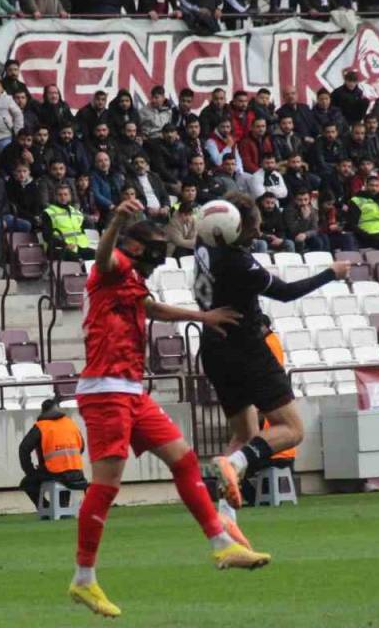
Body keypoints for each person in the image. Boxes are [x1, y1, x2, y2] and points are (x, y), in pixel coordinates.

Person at [67, 198, 267, 619]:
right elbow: (101, 258)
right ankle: (84, 578)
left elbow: (151, 309)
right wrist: (117, 220)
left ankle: (220, 545)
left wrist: (203, 316)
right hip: (104, 390)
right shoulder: (116, 264)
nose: (160, 258)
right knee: (107, 484)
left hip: (130, 390)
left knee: (183, 459)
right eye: (155, 251)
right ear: (138, 248)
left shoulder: (133, 278)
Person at [194, 197, 350, 514]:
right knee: (292, 429)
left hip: (213, 346)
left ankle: (224, 520)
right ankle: (232, 462)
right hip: (245, 347)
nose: (260, 229)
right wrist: (330, 273)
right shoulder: (240, 263)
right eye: (253, 224)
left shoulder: (204, 242)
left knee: (245, 434)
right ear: (237, 225)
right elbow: (286, 292)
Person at [18, 399, 89, 506]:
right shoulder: (70, 423)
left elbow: (24, 449)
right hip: (77, 474)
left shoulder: (41, 426)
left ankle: (46, 508)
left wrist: (30, 471)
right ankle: (63, 506)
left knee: (27, 483)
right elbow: (81, 447)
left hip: (55, 473)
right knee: (62, 475)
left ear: (43, 411)